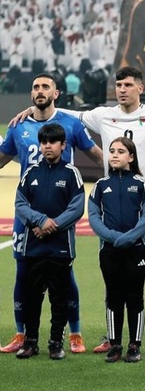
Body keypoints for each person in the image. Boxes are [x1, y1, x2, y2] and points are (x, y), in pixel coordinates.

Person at [71, 66, 145, 354]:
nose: (122, 89)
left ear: (140, 88)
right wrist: (33, 110)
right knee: (113, 271)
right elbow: (69, 115)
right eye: (118, 85)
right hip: (113, 207)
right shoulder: (103, 115)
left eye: (128, 85)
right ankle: (112, 336)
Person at [0, 73, 102, 355]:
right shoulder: (18, 126)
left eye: (45, 86)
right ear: (31, 93)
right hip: (27, 216)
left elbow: (96, 155)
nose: (40, 91)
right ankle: (21, 334)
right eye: (36, 87)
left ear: (56, 93)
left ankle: (75, 333)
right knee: (23, 273)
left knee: (64, 275)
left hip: (61, 214)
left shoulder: (71, 124)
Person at [14, 123, 85, 360]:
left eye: (52, 142)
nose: (47, 146)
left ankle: (56, 343)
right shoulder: (30, 173)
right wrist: (41, 220)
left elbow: (76, 208)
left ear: (63, 145)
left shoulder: (71, 173)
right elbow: (20, 204)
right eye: (44, 142)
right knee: (32, 297)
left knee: (59, 297)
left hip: (60, 247)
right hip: (33, 246)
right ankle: (30, 342)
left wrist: (52, 225)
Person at [87, 136, 145, 363]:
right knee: (113, 297)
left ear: (131, 157)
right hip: (109, 250)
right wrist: (113, 237)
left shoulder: (142, 184)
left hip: (135, 250)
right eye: (112, 151)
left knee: (135, 298)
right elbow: (94, 217)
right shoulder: (100, 185)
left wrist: (129, 237)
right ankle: (115, 344)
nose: (115, 155)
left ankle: (135, 346)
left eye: (121, 151)